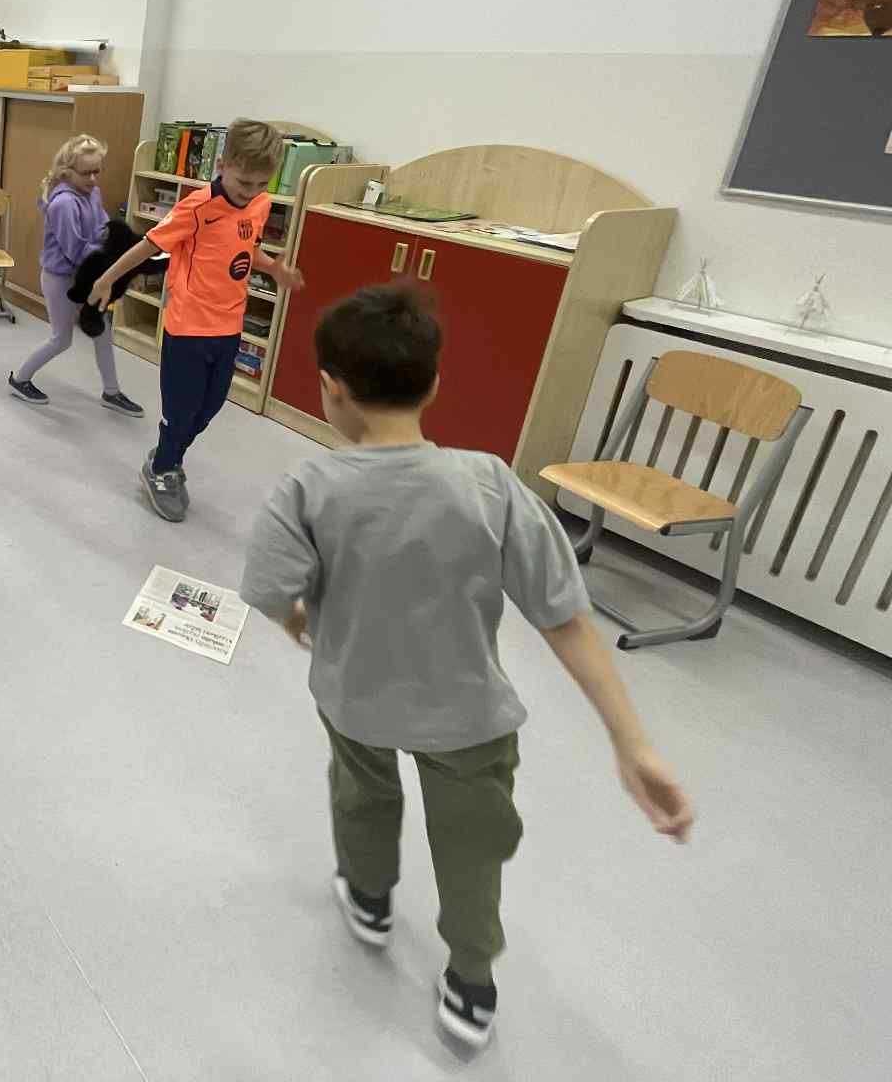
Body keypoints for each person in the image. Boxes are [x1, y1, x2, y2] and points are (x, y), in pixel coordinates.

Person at [240, 284, 694, 1051]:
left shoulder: (308, 489)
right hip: (469, 718)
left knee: (360, 795)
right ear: (434, 385)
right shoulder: (490, 483)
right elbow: (565, 618)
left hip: (355, 699)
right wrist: (632, 743)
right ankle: (472, 980)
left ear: (330, 388)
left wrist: (302, 623)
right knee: (473, 847)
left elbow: (270, 591)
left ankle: (370, 898)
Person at [87, 118, 304, 522]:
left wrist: (273, 268)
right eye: (243, 182)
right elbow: (147, 247)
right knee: (182, 410)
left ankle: (168, 455)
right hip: (188, 327)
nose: (251, 192)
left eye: (261, 184)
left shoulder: (259, 204)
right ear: (223, 165)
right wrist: (106, 278)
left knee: (210, 407)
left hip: (229, 326)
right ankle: (162, 468)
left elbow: (244, 249)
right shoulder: (197, 207)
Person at [5, 132, 142, 416]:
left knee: (102, 332)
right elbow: (75, 250)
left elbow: (102, 227)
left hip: (87, 273)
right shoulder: (64, 204)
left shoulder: (92, 193)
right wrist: (108, 260)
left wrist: (117, 244)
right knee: (61, 339)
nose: (93, 179)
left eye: (97, 172)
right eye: (85, 173)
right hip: (61, 278)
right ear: (67, 172)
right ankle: (20, 379)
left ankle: (112, 392)